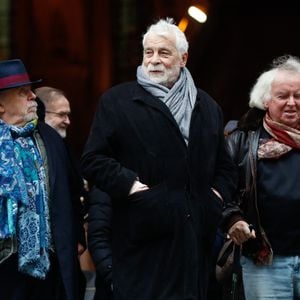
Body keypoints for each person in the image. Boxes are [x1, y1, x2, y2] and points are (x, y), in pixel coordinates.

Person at [81, 18, 237, 299]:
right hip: (140, 240)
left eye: (163, 53)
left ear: (183, 58)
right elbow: (93, 159)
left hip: (194, 243)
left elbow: (225, 168)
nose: (154, 60)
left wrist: (214, 198)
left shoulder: (207, 106)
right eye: (148, 52)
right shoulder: (117, 101)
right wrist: (132, 187)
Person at [0, 59, 84, 299]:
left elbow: (74, 188)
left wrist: (77, 237)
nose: (32, 96)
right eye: (22, 92)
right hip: (5, 268)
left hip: (51, 266)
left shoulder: (50, 139)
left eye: (31, 90)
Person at [223, 54, 300, 299]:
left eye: (298, 95)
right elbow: (220, 191)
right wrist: (233, 219)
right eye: (282, 96)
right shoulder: (242, 140)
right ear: (265, 100)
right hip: (265, 263)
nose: (291, 103)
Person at [35, 86, 88, 299]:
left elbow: (75, 196)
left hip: (62, 251)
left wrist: (78, 236)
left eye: (69, 115)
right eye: (61, 114)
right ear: (41, 112)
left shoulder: (62, 147)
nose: (67, 121)